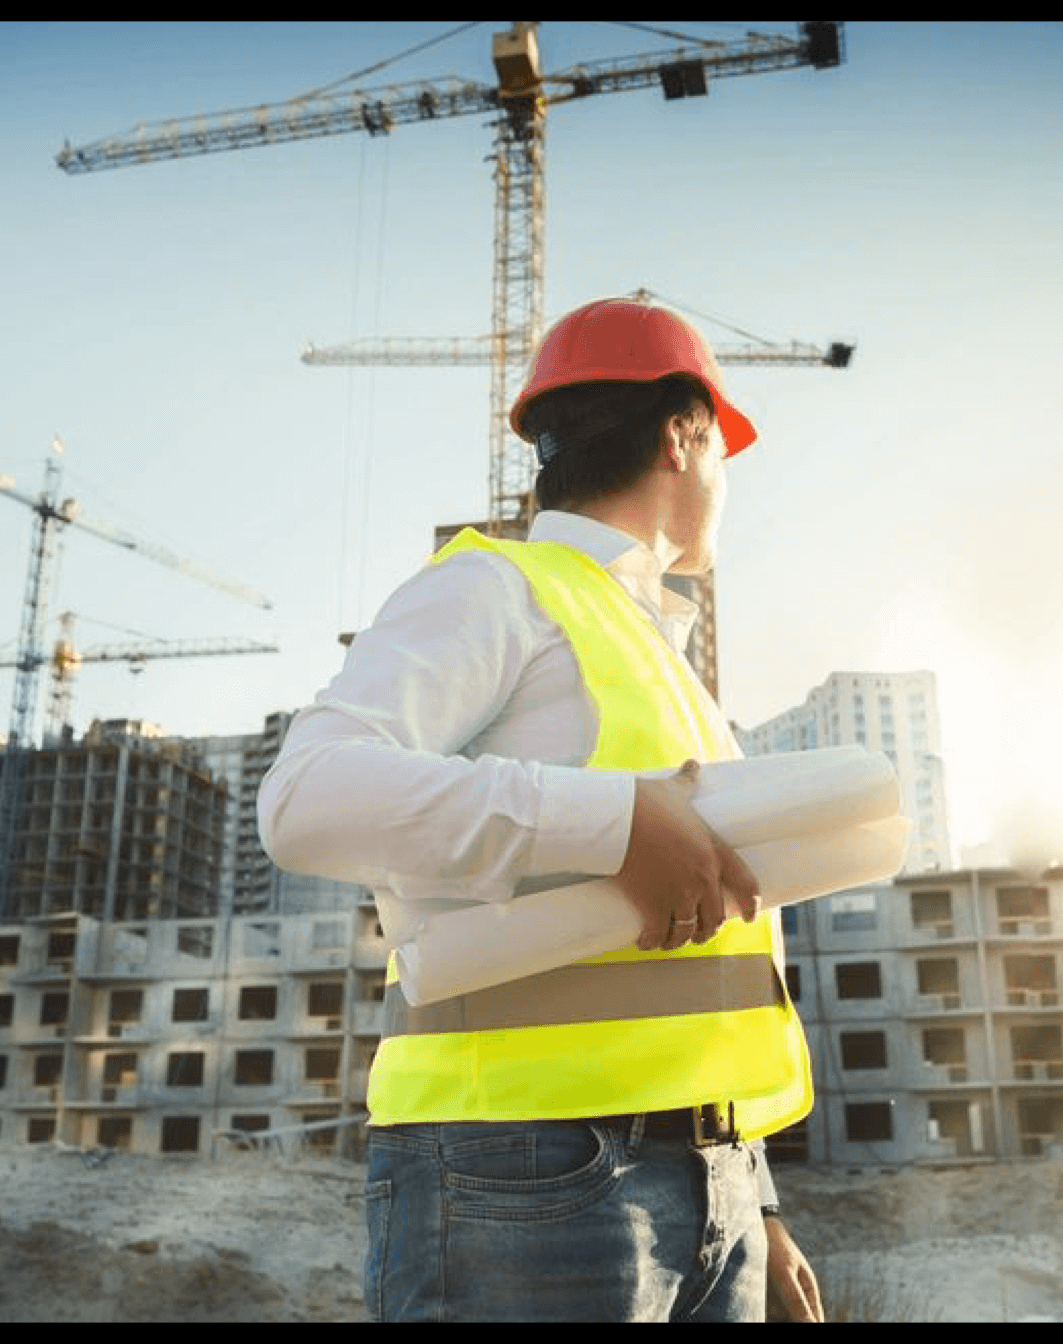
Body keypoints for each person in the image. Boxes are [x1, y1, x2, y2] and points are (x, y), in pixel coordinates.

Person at [258, 296, 826, 1322]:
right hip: (527, 1173)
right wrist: (613, 824)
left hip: (709, 1183)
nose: (725, 483)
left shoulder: (660, 657)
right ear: (684, 432)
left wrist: (755, 1202)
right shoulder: (496, 588)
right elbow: (305, 797)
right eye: (722, 452)